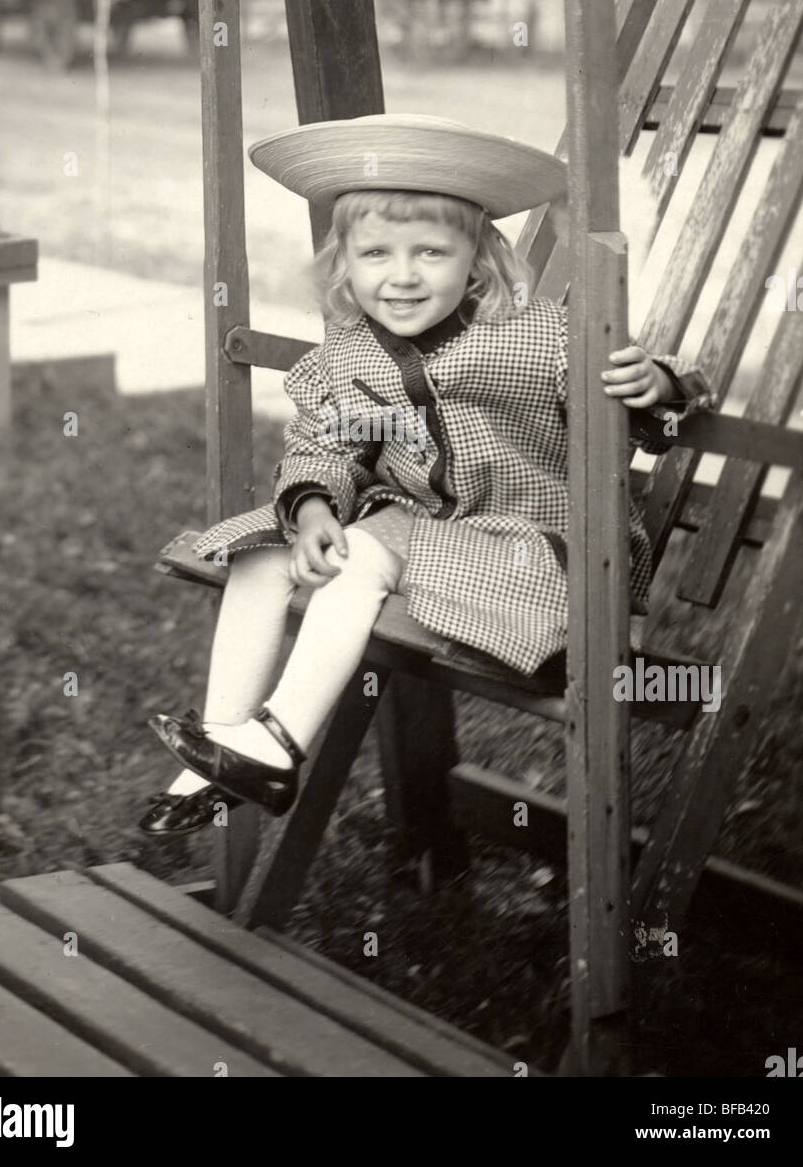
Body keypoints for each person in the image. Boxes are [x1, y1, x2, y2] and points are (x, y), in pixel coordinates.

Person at [139, 114, 714, 833]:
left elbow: (631, 408)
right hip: (425, 533)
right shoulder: (352, 355)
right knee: (263, 556)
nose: (402, 275)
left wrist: (655, 384)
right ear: (342, 262)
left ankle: (279, 746)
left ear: (476, 260)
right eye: (375, 252)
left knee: (360, 560)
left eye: (431, 253)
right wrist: (315, 507)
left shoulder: (536, 339)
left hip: (539, 550)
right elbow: (329, 444)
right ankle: (223, 749)